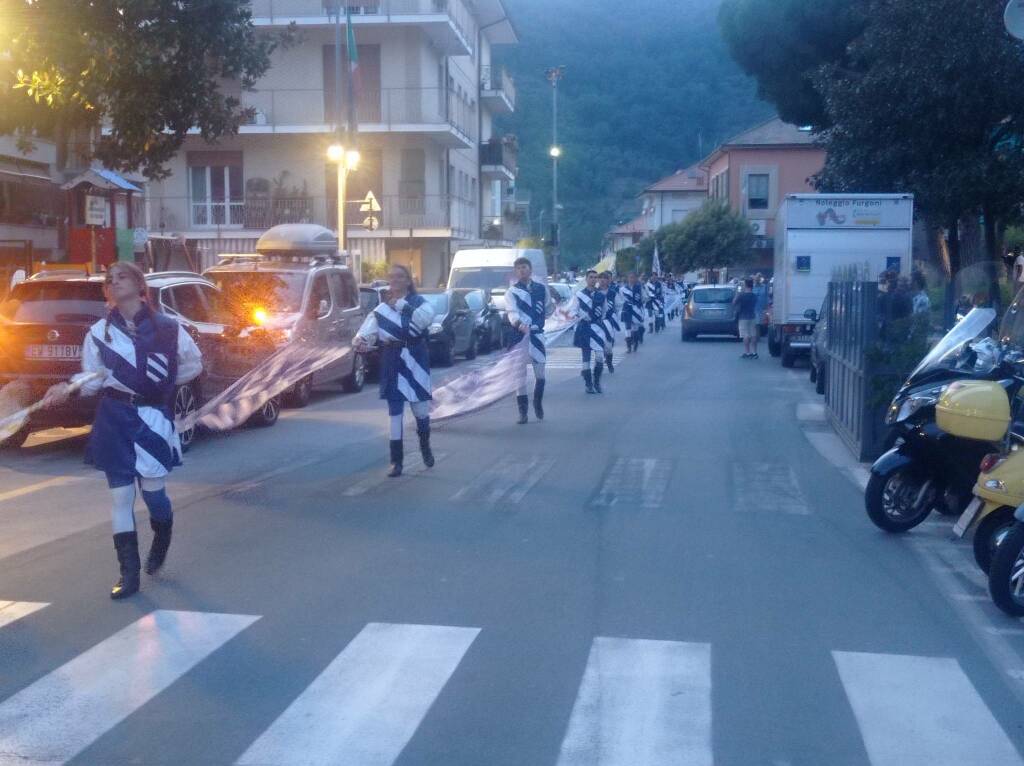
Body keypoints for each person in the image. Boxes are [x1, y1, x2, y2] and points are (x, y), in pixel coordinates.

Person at [43, 261, 202, 600]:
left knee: (154, 492)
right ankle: (128, 574)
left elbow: (192, 363)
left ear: (139, 284)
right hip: (114, 416)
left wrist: (159, 387)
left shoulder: (168, 327)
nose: (114, 283)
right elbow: (91, 378)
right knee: (121, 496)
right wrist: (66, 388)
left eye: (121, 277)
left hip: (152, 418)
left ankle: (162, 534)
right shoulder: (99, 333)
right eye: (109, 280)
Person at [353, 264, 436, 478]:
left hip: (416, 359)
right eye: (392, 277)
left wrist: (400, 305)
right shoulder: (381, 310)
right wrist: (360, 339)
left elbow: (424, 320)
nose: (395, 280)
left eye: (400, 277)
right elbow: (368, 330)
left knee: (420, 411)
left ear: (408, 281)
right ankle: (396, 462)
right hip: (392, 360)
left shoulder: (420, 304)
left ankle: (425, 447)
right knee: (395, 414)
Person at [505, 257, 547, 424]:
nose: (522, 270)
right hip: (519, 336)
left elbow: (547, 308)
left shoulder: (541, 289)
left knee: (540, 374)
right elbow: (511, 312)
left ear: (530, 269)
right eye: (519, 268)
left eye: (524, 267)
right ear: (516, 272)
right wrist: (519, 324)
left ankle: (537, 403)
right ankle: (523, 412)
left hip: (537, 335)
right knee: (519, 376)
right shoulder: (512, 292)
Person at [573, 270, 607, 394]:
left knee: (599, 357)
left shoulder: (601, 295)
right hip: (585, 329)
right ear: (586, 279)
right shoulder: (579, 295)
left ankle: (597, 382)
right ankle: (588, 384)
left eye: (595, 277)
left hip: (597, 329)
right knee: (586, 359)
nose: (593, 279)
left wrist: (598, 321)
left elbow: (604, 311)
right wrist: (580, 315)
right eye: (591, 277)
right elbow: (573, 311)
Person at [598, 271, 621, 373]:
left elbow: (618, 306)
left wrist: (614, 316)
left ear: (608, 281)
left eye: (605, 278)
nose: (602, 281)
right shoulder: (595, 292)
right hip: (597, 322)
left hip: (608, 321)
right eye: (601, 278)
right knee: (598, 344)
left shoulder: (613, 293)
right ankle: (599, 364)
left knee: (608, 345)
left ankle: (609, 362)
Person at [734, 278, 759, 359]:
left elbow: (734, 302)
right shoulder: (754, 296)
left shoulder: (741, 295)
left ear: (745, 285)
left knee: (746, 335)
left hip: (743, 317)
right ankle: (755, 352)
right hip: (752, 316)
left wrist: (738, 293)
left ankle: (747, 352)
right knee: (753, 335)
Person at [620, 272, 644, 353]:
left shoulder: (639, 288)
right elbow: (621, 300)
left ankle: (636, 342)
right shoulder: (623, 289)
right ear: (628, 278)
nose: (632, 279)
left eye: (633, 277)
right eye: (630, 277)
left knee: (635, 328)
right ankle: (628, 347)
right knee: (627, 327)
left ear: (636, 278)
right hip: (627, 310)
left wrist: (640, 307)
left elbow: (643, 298)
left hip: (636, 310)